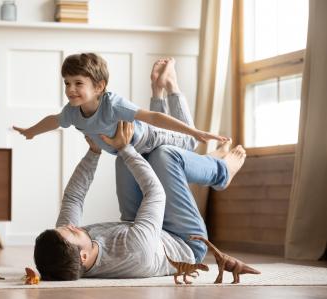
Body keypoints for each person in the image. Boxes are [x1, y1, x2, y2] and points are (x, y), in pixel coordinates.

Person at [33, 120, 245, 281]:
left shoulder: (66, 245)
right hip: (185, 241)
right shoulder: (134, 250)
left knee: (126, 161)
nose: (71, 226)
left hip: (138, 226)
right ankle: (221, 171)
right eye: (71, 231)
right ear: (84, 258)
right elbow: (155, 193)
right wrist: (125, 149)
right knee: (164, 156)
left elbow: (73, 198)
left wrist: (94, 152)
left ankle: (205, 159)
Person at [13, 53, 228, 156]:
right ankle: (158, 87)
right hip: (134, 149)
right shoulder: (72, 112)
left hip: (149, 137)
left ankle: (170, 86)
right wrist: (32, 131)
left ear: (99, 86)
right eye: (67, 83)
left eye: (78, 83)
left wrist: (194, 131)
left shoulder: (112, 104)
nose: (70, 89)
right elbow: (54, 121)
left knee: (191, 143)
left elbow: (152, 118)